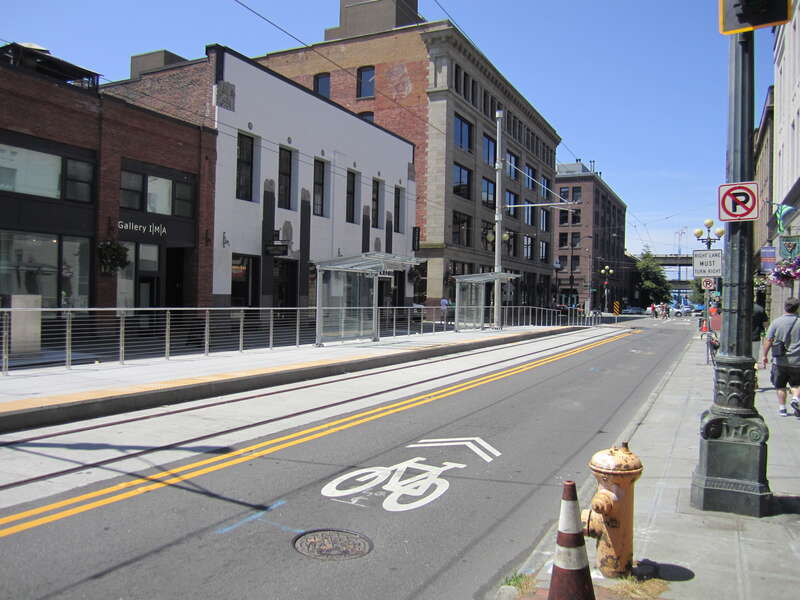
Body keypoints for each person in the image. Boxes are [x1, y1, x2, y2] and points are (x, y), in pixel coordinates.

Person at [760, 297, 800, 417]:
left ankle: (782, 408)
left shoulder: (776, 322)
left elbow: (769, 340)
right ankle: (795, 398)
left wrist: (764, 355)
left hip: (780, 360)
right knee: (796, 384)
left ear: (785, 307)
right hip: (798, 361)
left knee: (780, 386)